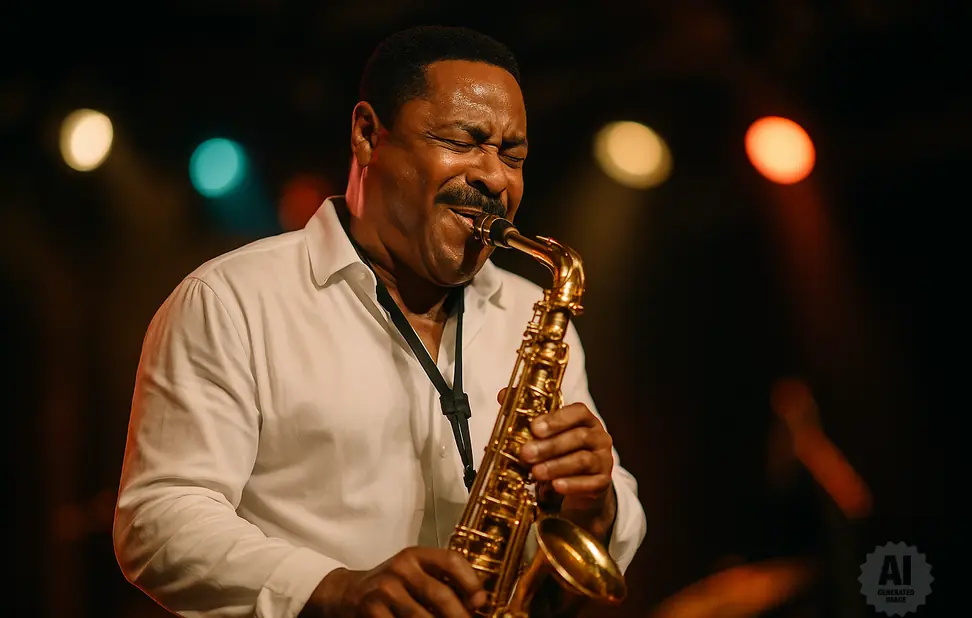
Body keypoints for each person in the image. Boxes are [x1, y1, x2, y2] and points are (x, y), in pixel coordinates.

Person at [113, 25, 646, 618]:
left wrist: (593, 502)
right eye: (464, 142)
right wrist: (334, 589)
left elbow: (614, 523)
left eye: (512, 156)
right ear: (368, 135)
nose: (495, 178)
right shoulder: (231, 301)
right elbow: (158, 522)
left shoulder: (530, 308)